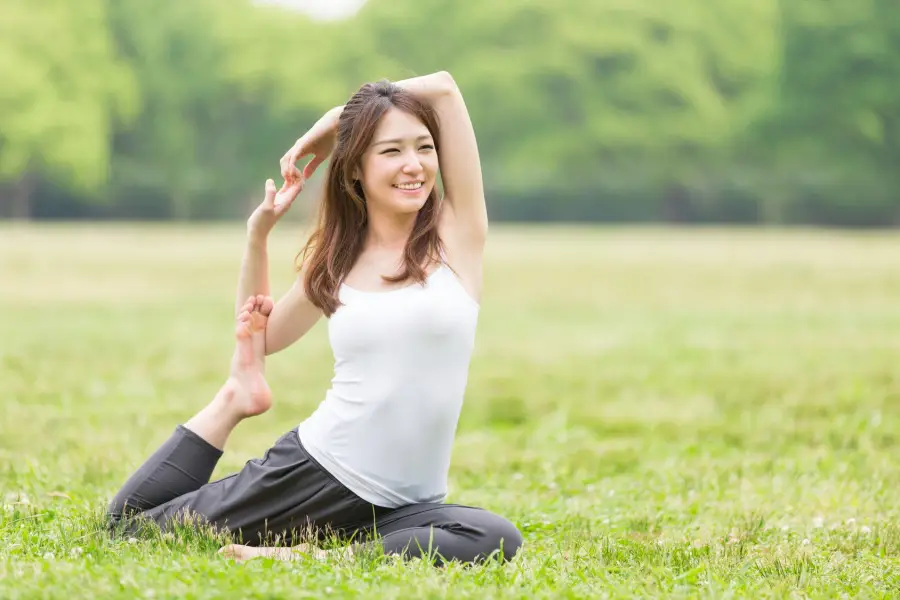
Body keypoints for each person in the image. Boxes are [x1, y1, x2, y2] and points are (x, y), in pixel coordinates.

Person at [107, 72, 522, 566]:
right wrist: (258, 236)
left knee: (495, 537)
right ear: (355, 172)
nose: (414, 165)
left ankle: (311, 559)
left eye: (424, 148)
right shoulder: (339, 263)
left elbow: (448, 88)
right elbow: (261, 336)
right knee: (130, 530)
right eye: (391, 151)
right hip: (317, 475)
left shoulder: (459, 238)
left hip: (405, 506)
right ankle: (235, 399)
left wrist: (335, 118)